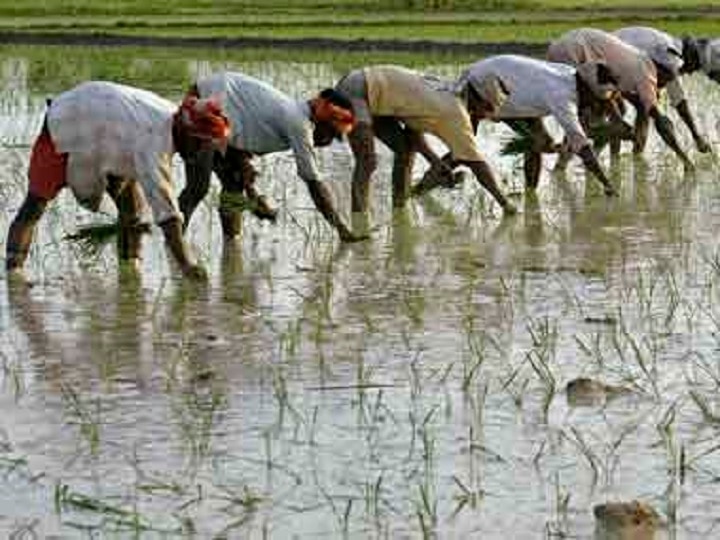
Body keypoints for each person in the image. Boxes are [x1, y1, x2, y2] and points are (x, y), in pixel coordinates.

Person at [5, 80, 229, 281]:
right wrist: (187, 265)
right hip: (69, 120)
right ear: (188, 133)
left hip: (108, 128)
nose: (201, 152)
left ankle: (130, 268)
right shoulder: (154, 141)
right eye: (200, 145)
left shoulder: (173, 118)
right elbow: (168, 215)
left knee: (132, 208)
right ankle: (14, 272)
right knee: (36, 202)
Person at [177, 71, 365, 243]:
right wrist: (341, 229)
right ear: (323, 121)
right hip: (207, 103)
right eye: (331, 133)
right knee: (198, 187)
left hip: (221, 107)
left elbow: (238, 147)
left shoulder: (290, 114)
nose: (328, 141)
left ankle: (231, 243)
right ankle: (174, 242)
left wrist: (252, 195)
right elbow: (313, 181)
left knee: (234, 182)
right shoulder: (298, 124)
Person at [425, 54, 621, 195]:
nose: (593, 104)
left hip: (506, 81)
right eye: (595, 99)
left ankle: (530, 193)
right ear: (587, 89)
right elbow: (582, 145)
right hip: (488, 83)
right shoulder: (562, 97)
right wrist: (607, 184)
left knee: (537, 141)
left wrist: (552, 147)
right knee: (466, 147)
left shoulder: (570, 74)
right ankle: (423, 187)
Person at [334, 64, 516, 215]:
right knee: (367, 160)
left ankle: (400, 207)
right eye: (489, 109)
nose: (486, 116)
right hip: (357, 91)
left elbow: (413, 133)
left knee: (405, 150)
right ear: (481, 102)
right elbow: (477, 164)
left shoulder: (447, 91)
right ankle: (358, 220)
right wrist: (505, 204)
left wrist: (434, 161)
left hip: (375, 95)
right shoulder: (455, 113)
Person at [547, 28, 694, 170]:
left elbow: (607, 90)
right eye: (669, 76)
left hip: (566, 46)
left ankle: (565, 164)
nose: (668, 82)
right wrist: (684, 158)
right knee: (588, 119)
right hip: (573, 52)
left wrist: (620, 123)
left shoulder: (634, 61)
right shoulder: (645, 75)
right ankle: (573, 159)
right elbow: (659, 122)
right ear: (660, 68)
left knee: (610, 111)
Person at [613, 26, 711, 153]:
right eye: (691, 69)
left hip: (617, 49)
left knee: (641, 106)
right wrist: (697, 137)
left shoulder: (673, 48)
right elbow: (681, 103)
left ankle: (634, 153)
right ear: (689, 59)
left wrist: (696, 136)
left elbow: (678, 99)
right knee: (625, 108)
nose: (689, 73)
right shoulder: (670, 59)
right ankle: (622, 155)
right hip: (610, 56)